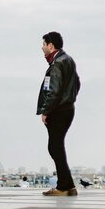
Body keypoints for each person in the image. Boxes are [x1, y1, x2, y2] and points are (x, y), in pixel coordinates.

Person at [36, 31, 81, 197]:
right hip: (68, 109)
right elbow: (77, 83)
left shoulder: (57, 64)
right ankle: (68, 185)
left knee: (55, 147)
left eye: (43, 44)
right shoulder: (68, 60)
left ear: (51, 45)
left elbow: (53, 91)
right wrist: (70, 98)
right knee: (56, 147)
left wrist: (46, 111)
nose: (42, 48)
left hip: (58, 110)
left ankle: (63, 186)